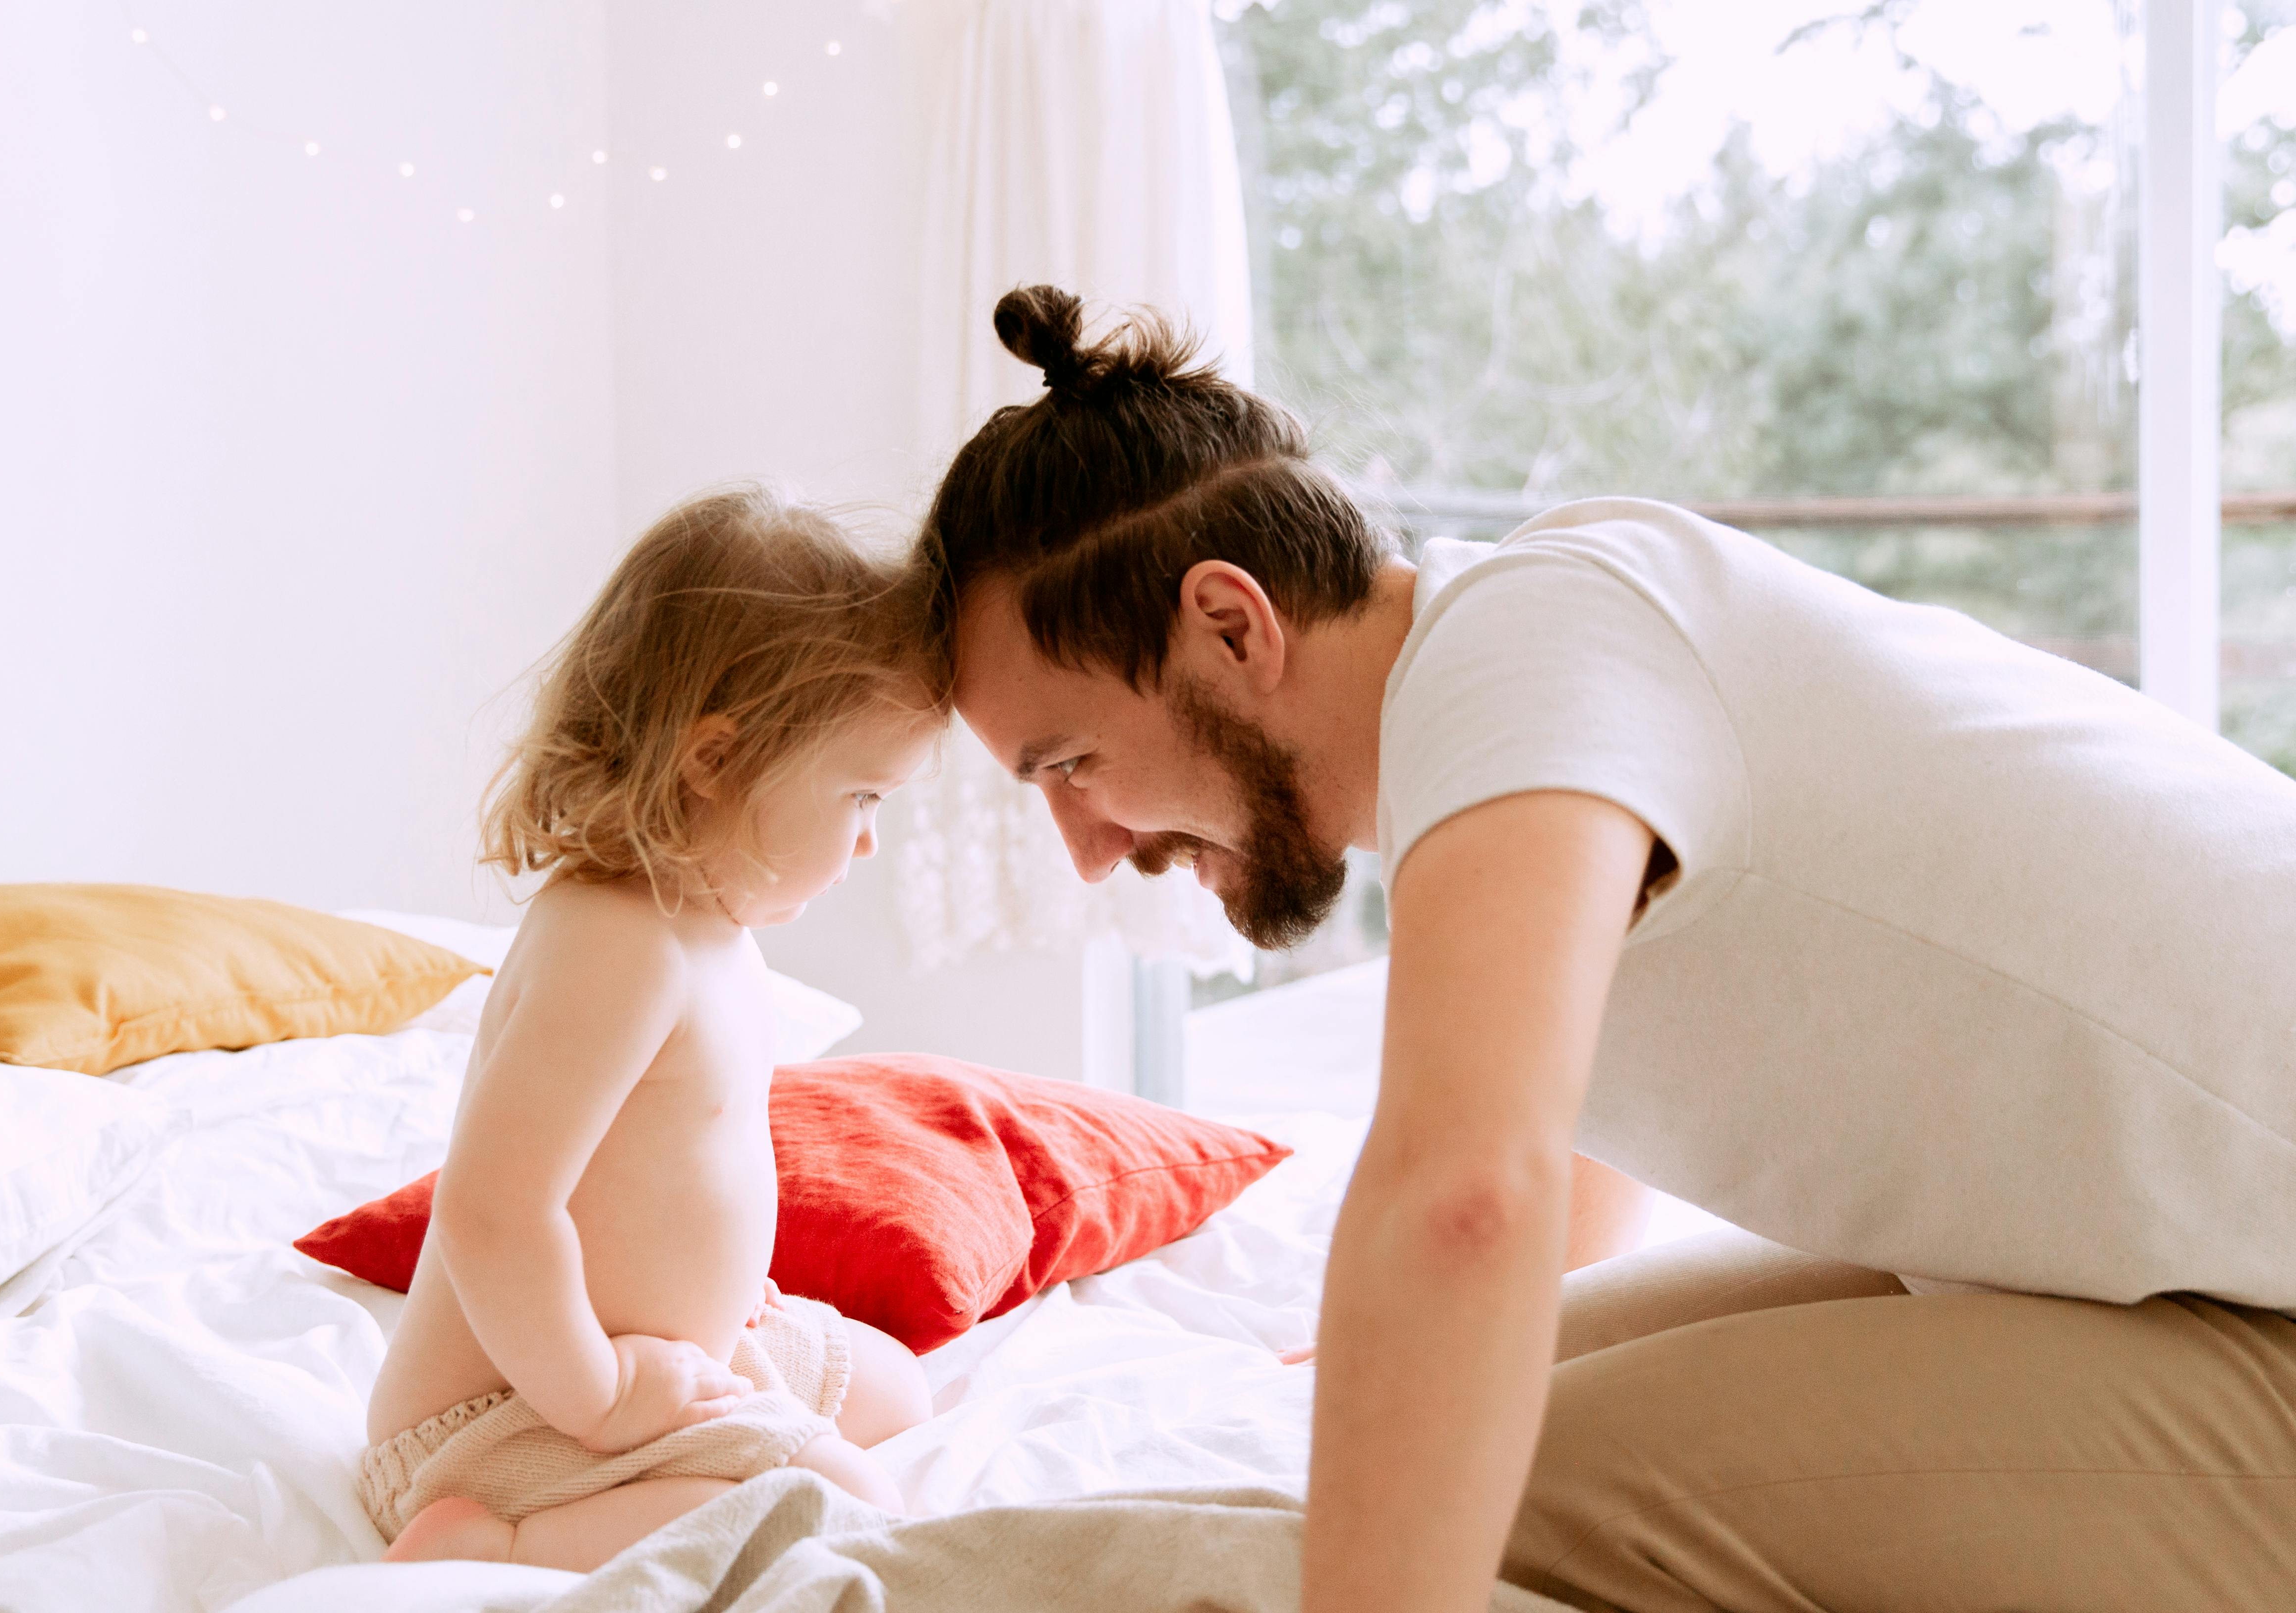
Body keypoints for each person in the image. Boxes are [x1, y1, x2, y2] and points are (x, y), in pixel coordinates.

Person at [916, 285, 2296, 1612]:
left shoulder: (1522, 650)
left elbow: (1471, 1195)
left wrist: (1411, 1390)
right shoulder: (1530, 681)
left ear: (1231, 624)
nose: (1089, 846)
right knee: (1364, 1427)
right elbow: (1560, 1176)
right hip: (2181, 1274)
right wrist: (1374, 1362)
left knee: (1469, 1482)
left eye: (1073, 763)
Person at [361, 487, 939, 1572]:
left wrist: (713, 1311)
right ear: (714, 761)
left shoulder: (711, 926)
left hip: (668, 1349)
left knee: (899, 1387)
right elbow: (495, 1214)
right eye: (861, 795)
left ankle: (675, 1429)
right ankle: (500, 1540)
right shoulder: (616, 946)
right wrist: (604, 1393)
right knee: (852, 1502)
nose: (867, 844)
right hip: (516, 1412)